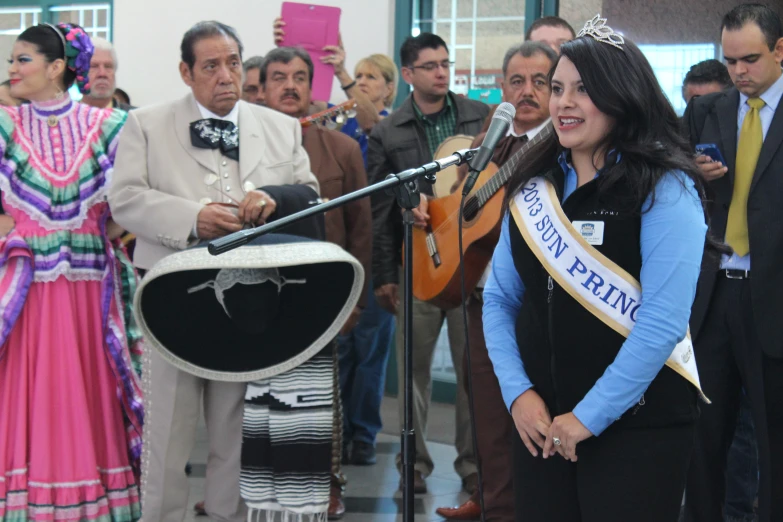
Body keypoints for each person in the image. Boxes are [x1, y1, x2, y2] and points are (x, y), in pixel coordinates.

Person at [484, 15, 712, 521]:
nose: (563, 103)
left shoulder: (664, 188)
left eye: (583, 90)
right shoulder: (532, 185)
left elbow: (661, 322)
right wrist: (518, 393)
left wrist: (586, 418)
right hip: (541, 424)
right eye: (557, 88)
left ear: (622, 94)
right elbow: (499, 299)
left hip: (639, 429)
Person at [108, 21, 319, 522]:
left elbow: (308, 193)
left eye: (232, 63)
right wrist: (190, 218)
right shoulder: (146, 124)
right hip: (172, 301)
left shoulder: (281, 126)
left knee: (235, 427)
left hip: (249, 301)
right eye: (210, 66)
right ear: (186, 72)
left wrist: (274, 199)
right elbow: (125, 200)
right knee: (168, 431)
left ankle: (229, 515)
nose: (225, 75)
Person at [0, 22, 143, 521]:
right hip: (27, 288)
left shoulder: (110, 127)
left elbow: (132, 203)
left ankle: (91, 496)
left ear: (57, 67)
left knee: (88, 389)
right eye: (12, 60)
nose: (12, 69)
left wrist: (116, 235)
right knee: (31, 392)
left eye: (22, 60)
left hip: (90, 289)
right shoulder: (4, 128)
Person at [438, 40, 558, 522]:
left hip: (542, 304)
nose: (527, 92)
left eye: (540, 82)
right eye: (516, 81)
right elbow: (453, 202)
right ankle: (493, 505)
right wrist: (431, 216)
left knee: (537, 419)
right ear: (502, 87)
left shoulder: (566, 142)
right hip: (483, 297)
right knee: (487, 418)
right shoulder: (490, 144)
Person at [368, 32, 488, 495]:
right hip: (416, 261)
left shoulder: (480, 117)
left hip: (472, 260)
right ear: (408, 75)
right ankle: (412, 466)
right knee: (412, 372)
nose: (441, 72)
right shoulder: (388, 130)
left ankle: (473, 466)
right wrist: (384, 274)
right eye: (430, 66)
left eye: (445, 63)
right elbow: (379, 209)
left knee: (471, 369)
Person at [259, 45, 373, 519]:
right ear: (262, 88)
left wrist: (355, 302)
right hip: (259, 292)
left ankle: (326, 484)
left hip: (322, 293)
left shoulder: (342, 149)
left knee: (320, 396)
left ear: (312, 86)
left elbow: (361, 230)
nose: (290, 85)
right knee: (257, 399)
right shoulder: (247, 145)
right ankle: (255, 483)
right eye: (279, 77)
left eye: (300, 77)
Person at [681, 4, 783, 522]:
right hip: (714, 290)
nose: (740, 72)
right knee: (704, 440)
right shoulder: (709, 109)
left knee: (772, 441)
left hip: (773, 297)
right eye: (730, 60)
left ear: (781, 50)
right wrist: (694, 171)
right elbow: (669, 167)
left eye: (751, 59)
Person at [81, 37, 133, 111]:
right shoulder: (63, 119)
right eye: (94, 66)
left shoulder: (134, 118)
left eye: (108, 66)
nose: (102, 73)